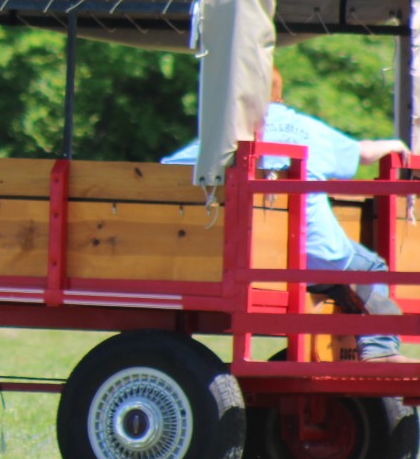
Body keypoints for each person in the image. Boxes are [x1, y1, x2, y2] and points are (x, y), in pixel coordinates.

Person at [162, 66, 413, 363]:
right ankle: (379, 349)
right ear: (278, 95)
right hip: (318, 259)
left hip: (247, 261)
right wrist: (394, 144)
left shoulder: (226, 136)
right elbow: (364, 154)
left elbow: (169, 169)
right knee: (371, 267)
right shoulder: (306, 129)